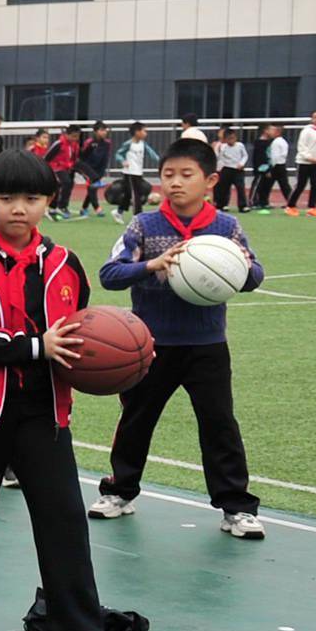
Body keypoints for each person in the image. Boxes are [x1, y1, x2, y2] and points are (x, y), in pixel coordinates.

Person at [0, 152, 128, 631]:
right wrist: (36, 348)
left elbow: (84, 335)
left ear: (49, 201)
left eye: (32, 198)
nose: (18, 209)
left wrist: (121, 362)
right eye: (6, 198)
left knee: (64, 519)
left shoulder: (65, 262)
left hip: (44, 411)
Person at [94, 139, 266, 537]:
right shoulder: (143, 225)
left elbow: (255, 277)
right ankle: (119, 492)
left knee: (219, 422)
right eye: (168, 174)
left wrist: (239, 267)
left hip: (207, 345)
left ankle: (236, 508)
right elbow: (109, 274)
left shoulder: (226, 228)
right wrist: (150, 265)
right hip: (150, 345)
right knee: (137, 418)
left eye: (186, 175)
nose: (174, 183)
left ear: (210, 181)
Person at [108, 123, 156, 217]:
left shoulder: (143, 144)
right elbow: (118, 154)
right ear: (137, 132)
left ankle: (118, 212)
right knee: (135, 194)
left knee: (129, 194)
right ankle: (138, 215)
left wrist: (162, 161)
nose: (146, 133)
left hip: (138, 172)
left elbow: (152, 154)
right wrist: (122, 161)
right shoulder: (128, 144)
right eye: (144, 131)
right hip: (129, 173)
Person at [74, 122, 112, 215]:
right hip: (89, 169)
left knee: (92, 188)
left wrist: (102, 171)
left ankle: (84, 208)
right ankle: (97, 208)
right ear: (95, 131)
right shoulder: (89, 142)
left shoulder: (107, 143)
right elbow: (82, 156)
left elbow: (106, 157)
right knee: (92, 188)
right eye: (101, 130)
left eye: (105, 130)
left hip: (99, 170)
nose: (104, 132)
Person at [213, 128, 254, 211]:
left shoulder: (240, 146)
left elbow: (245, 156)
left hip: (237, 170)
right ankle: (222, 205)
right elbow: (219, 157)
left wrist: (242, 163)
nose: (231, 141)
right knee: (224, 188)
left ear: (236, 138)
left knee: (240, 187)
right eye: (229, 139)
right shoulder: (223, 147)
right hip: (227, 169)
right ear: (225, 139)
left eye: (232, 138)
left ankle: (242, 205)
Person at [295, 112, 316, 212]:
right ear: (311, 119)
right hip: (304, 162)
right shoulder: (306, 131)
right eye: (315, 118)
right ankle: (291, 205)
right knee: (301, 184)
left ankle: (312, 207)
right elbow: (301, 146)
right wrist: (308, 157)